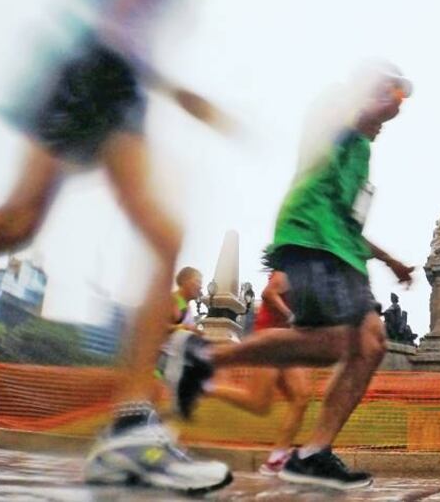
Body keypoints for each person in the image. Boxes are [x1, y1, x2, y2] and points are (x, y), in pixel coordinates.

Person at [0, 0, 268, 494]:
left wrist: (181, 94)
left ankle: (132, 428)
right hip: (89, 74)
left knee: (156, 233)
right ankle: (132, 431)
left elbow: (135, 38)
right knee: (13, 224)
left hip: (122, 88)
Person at [163, 64, 415, 490]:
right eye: (393, 96)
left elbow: (350, 220)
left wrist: (389, 260)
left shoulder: (362, 152)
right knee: (339, 342)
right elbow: (341, 118)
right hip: (311, 238)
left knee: (370, 344)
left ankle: (314, 452)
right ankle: (203, 358)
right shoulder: (335, 105)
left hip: (343, 252)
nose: (393, 113)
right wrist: (377, 101)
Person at [201, 270, 313, 475]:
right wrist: (292, 316)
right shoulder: (290, 268)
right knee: (259, 403)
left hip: (288, 341)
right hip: (269, 339)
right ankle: (204, 386)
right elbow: (268, 293)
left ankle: (276, 459)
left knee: (301, 397)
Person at [171, 267, 203, 331]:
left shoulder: (184, 304)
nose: (200, 287)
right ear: (184, 280)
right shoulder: (173, 300)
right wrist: (182, 328)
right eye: (197, 281)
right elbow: (156, 326)